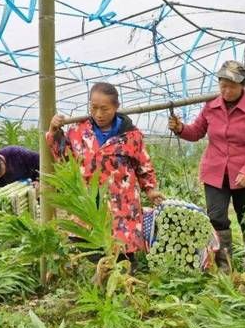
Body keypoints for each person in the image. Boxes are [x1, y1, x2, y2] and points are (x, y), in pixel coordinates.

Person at [168, 60, 245, 273]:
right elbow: (196, 132)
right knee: (216, 217)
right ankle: (225, 265)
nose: (226, 90)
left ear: (243, 86)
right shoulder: (211, 105)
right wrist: (180, 128)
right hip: (215, 173)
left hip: (244, 175)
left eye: (231, 86)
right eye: (222, 85)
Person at [47, 82, 164, 263]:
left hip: (122, 200)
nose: (99, 114)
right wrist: (54, 132)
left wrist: (150, 189)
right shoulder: (78, 131)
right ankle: (104, 273)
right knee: (88, 240)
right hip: (90, 198)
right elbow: (64, 157)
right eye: (93, 108)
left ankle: (122, 277)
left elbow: (143, 165)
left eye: (105, 109)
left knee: (123, 249)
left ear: (116, 107)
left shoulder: (131, 136)